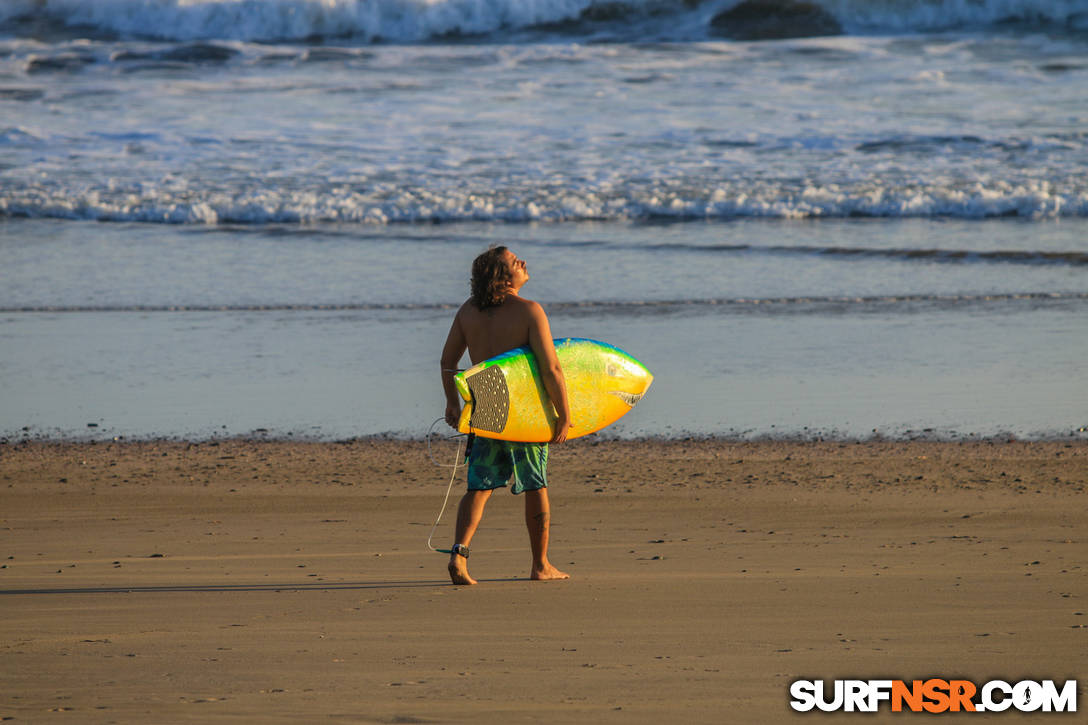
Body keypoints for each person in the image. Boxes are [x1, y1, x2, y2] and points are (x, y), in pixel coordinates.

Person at [440, 246, 572, 585]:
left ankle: (459, 554)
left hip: (488, 408)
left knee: (480, 487)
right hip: (524, 412)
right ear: (503, 276)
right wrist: (564, 413)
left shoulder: (468, 312)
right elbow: (552, 367)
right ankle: (540, 565)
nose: (523, 263)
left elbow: (448, 362)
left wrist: (452, 404)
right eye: (515, 262)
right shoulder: (530, 311)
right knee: (535, 484)